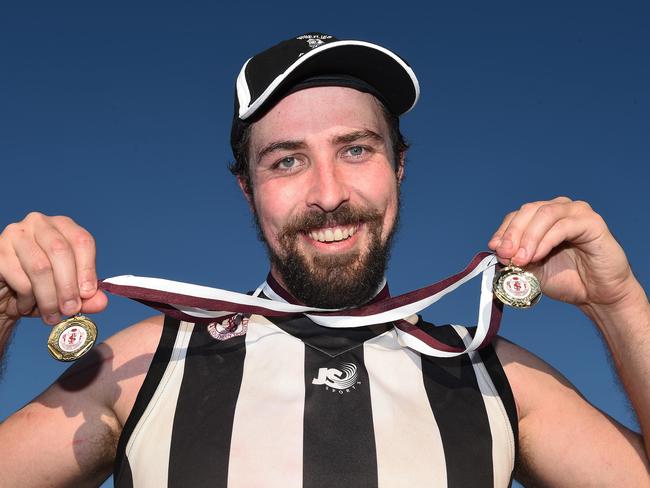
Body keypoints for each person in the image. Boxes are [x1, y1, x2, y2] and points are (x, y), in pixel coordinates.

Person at [0, 32, 648, 487]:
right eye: (287, 161)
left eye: (357, 150)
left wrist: (618, 305)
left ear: (399, 167)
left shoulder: (494, 376)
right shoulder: (143, 367)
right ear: (247, 189)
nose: (329, 193)